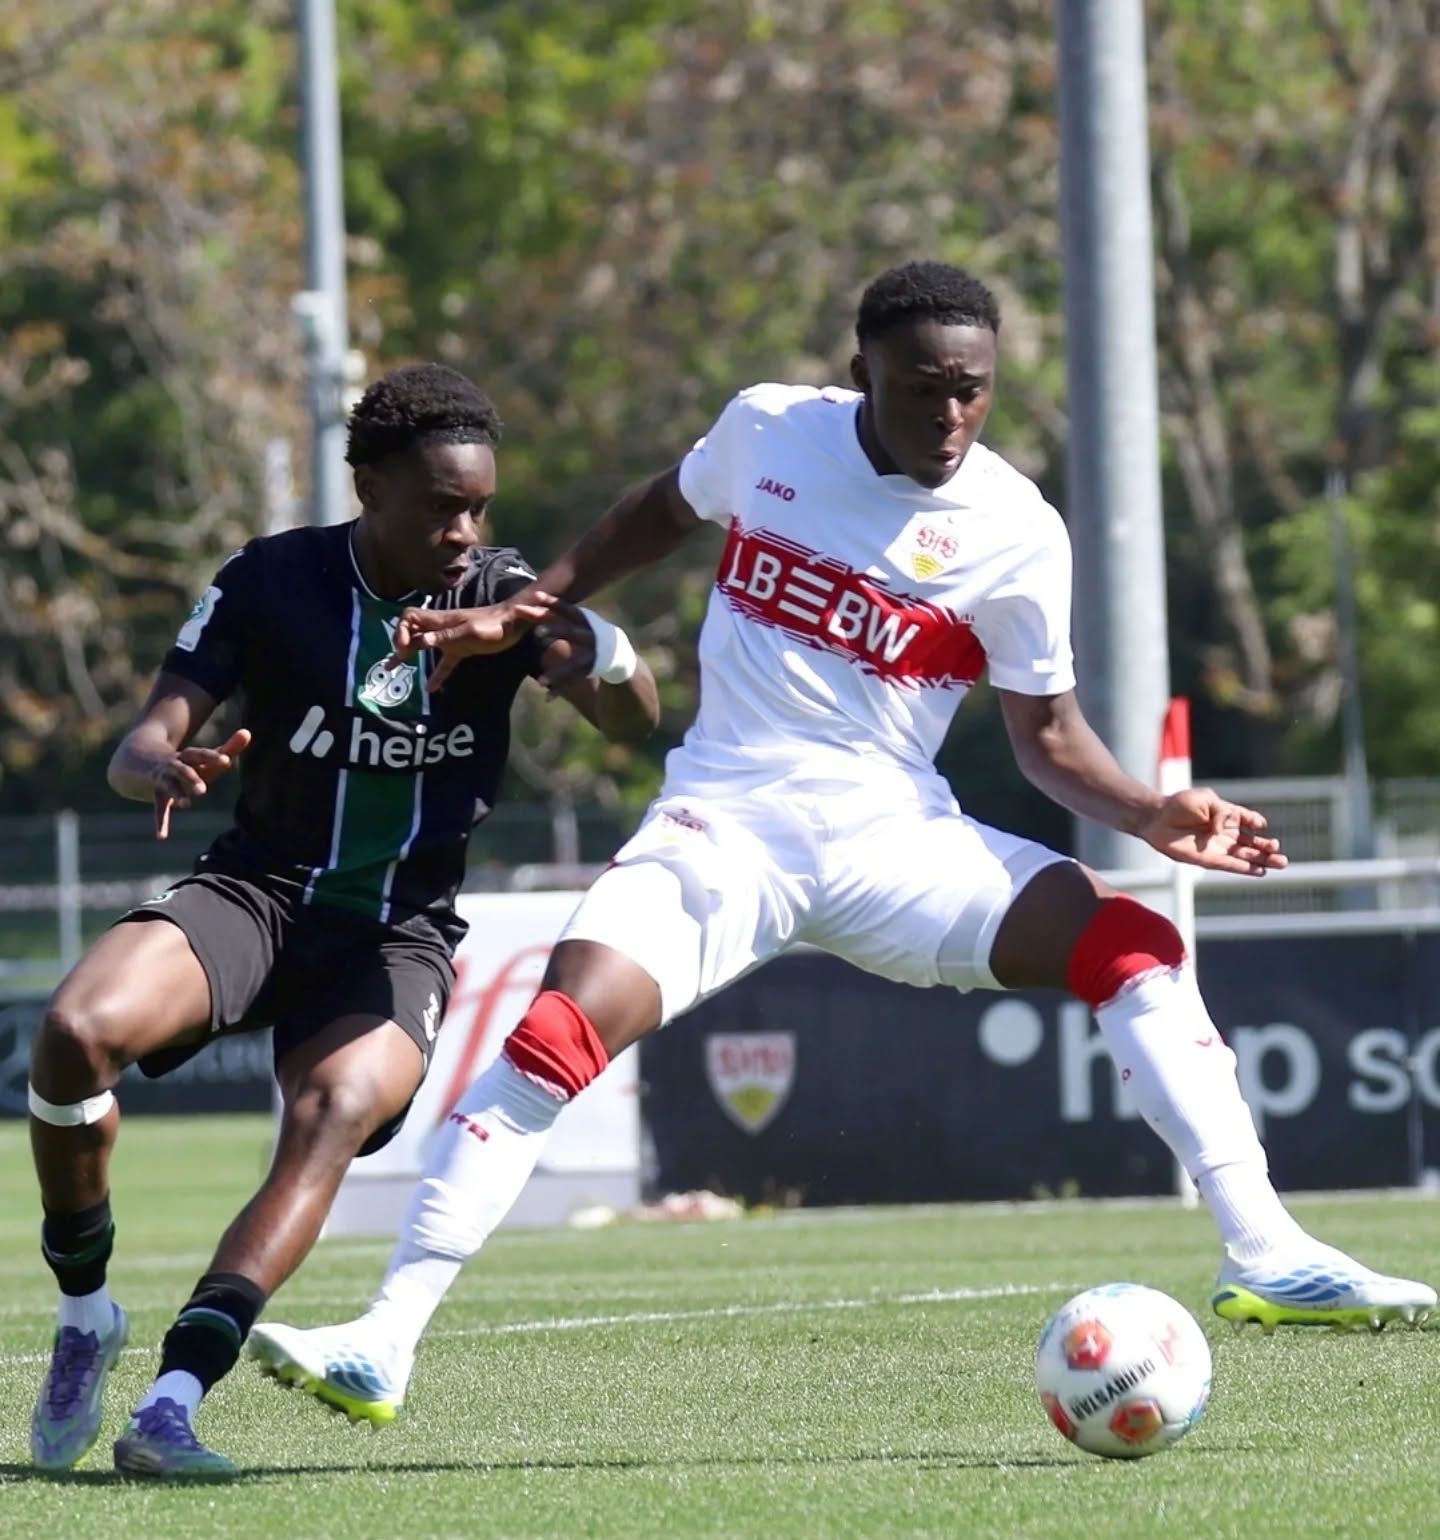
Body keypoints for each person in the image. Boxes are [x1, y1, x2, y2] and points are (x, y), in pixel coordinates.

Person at [252, 261, 1434, 1428]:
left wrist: (1148, 813)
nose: (951, 413)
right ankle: (385, 1337)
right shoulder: (770, 430)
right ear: (859, 369)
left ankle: (1265, 1246)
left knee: (1129, 942)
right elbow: (662, 507)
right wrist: (534, 600)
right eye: (923, 386)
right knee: (557, 1031)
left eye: (972, 388)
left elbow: (1047, 736)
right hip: (726, 825)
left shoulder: (1019, 528)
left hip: (895, 839)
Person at [26, 363, 660, 1478]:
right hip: (256, 889)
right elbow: (143, 740)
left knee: (333, 1112)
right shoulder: (272, 577)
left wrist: (597, 647)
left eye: (479, 508)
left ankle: (173, 1400)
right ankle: (86, 1314)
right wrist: (162, 764)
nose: (464, 534)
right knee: (75, 1031)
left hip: (396, 930)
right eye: (440, 507)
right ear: (369, 487)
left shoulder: (500, 593)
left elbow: (632, 720)